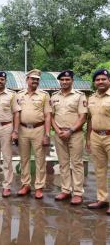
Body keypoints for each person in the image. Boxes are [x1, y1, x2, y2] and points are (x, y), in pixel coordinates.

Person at [51, 70, 87, 205]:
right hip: (59, 134)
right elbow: (51, 116)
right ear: (59, 81)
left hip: (75, 134)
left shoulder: (79, 96)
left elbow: (83, 117)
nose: (65, 82)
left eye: (67, 79)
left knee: (76, 163)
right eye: (62, 80)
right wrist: (58, 130)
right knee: (63, 163)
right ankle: (65, 190)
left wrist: (70, 131)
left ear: (72, 80)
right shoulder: (54, 97)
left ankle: (77, 192)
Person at [16, 69, 52, 199]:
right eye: (33, 79)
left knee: (40, 159)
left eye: (37, 80)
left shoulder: (44, 95)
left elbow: (48, 116)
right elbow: (16, 114)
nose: (35, 81)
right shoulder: (19, 95)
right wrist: (15, 131)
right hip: (23, 130)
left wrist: (47, 134)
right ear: (27, 80)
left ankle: (39, 187)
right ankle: (25, 185)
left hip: (39, 129)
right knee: (24, 159)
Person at [86, 69, 110, 214]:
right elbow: (89, 120)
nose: (100, 82)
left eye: (103, 79)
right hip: (95, 136)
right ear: (94, 83)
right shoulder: (91, 98)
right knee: (99, 170)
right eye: (97, 80)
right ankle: (102, 199)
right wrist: (88, 138)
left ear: (109, 80)